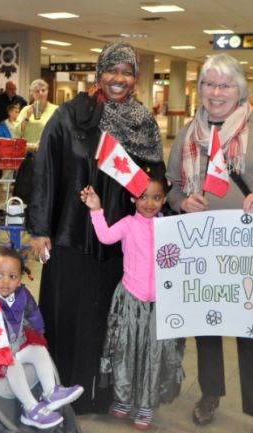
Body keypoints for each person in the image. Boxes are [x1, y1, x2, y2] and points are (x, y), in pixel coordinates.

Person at [26, 42, 163, 414]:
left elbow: (156, 181)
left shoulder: (143, 123)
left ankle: (105, 394)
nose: (119, 79)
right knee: (68, 314)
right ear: (99, 72)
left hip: (119, 241)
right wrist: (39, 228)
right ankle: (60, 389)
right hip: (70, 236)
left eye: (127, 72)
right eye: (112, 71)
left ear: (135, 78)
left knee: (108, 319)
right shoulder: (70, 116)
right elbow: (44, 171)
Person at [165, 53, 253, 433]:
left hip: (249, 245)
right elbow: (172, 181)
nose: (216, 92)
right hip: (203, 245)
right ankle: (210, 394)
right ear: (201, 90)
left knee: (251, 330)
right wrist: (179, 201)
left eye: (224, 85)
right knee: (207, 328)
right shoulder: (191, 132)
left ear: (239, 90)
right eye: (209, 84)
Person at [81, 162, 185, 430]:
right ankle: (124, 400)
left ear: (164, 198)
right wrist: (96, 210)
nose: (150, 203)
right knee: (125, 351)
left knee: (153, 355)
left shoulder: (170, 227)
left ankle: (146, 406)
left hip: (158, 303)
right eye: (143, 197)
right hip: (129, 300)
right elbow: (105, 237)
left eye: (157, 197)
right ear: (132, 197)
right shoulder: (128, 224)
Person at [0, 247, 84, 429]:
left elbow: (33, 313)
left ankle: (51, 392)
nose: (6, 281)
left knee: (39, 350)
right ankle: (30, 409)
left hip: (13, 344)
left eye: (12, 277)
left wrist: (39, 332)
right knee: (11, 363)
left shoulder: (21, 294)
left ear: (20, 279)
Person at [16, 79, 58, 148]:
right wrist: (27, 117)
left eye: (43, 90)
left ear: (47, 92)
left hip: (48, 150)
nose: (41, 93)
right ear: (32, 94)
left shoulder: (56, 109)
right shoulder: (25, 110)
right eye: (37, 91)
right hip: (28, 151)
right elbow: (17, 131)